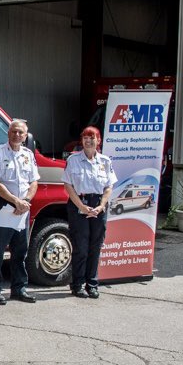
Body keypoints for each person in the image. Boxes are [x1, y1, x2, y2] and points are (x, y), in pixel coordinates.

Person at [0, 119, 39, 305]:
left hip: (23, 207)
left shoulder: (28, 155)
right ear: (8, 133)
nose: (17, 135)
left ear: (25, 136)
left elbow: (34, 181)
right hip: (4, 207)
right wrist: (15, 201)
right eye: (14, 131)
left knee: (20, 251)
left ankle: (19, 288)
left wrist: (26, 201)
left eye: (20, 132)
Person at [62, 126, 116, 298]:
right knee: (81, 247)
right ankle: (77, 284)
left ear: (98, 140)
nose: (88, 141)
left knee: (95, 247)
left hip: (98, 206)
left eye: (92, 138)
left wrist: (101, 206)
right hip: (79, 203)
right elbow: (68, 185)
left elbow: (109, 187)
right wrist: (81, 207)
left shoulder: (105, 161)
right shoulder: (73, 160)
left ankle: (92, 284)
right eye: (85, 137)